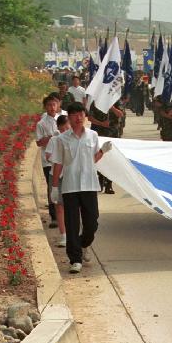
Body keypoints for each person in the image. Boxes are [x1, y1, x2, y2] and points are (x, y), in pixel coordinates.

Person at [50, 102, 112, 274]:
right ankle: (75, 259)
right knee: (72, 224)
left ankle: (83, 244)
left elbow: (93, 159)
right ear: (69, 117)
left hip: (89, 184)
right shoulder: (61, 139)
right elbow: (58, 163)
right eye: (75, 115)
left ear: (85, 116)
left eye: (81, 114)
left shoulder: (93, 135)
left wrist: (103, 151)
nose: (78, 118)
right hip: (70, 186)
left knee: (92, 223)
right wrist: (54, 187)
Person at [35, 95, 61, 229]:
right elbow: (39, 142)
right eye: (49, 105)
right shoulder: (41, 123)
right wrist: (51, 137)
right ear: (45, 107)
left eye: (54, 104)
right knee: (52, 187)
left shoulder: (62, 119)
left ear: (58, 105)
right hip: (48, 161)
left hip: (62, 159)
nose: (52, 107)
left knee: (63, 186)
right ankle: (54, 216)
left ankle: (63, 213)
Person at [45, 114, 70, 246]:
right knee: (59, 206)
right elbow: (48, 155)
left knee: (71, 206)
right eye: (62, 128)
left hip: (70, 175)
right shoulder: (54, 140)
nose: (65, 131)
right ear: (59, 129)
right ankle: (64, 235)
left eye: (67, 128)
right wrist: (58, 157)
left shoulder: (74, 139)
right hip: (55, 175)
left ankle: (72, 233)